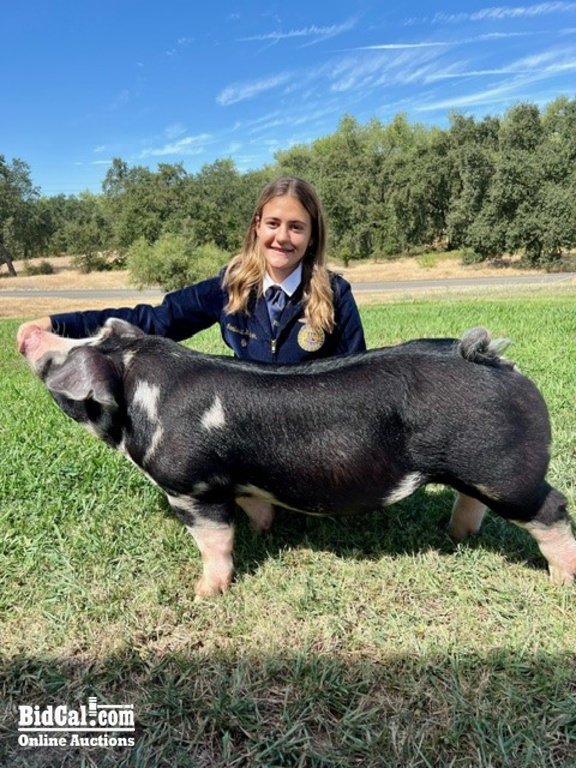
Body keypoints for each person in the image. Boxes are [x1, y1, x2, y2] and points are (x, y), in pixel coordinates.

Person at [17, 176, 366, 364]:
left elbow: (360, 379)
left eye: (296, 227)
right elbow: (153, 321)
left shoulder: (335, 293)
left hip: (313, 439)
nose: (282, 237)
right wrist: (55, 324)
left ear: (312, 235)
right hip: (250, 435)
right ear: (257, 226)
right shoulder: (230, 286)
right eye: (273, 223)